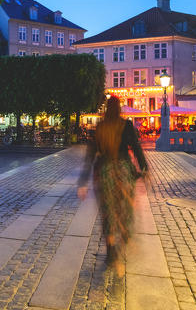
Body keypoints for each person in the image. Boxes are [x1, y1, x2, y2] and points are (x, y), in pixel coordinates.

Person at [77, 96, 148, 278]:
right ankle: (123, 240)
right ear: (119, 110)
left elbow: (90, 156)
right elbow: (137, 147)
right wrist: (144, 167)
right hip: (123, 172)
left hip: (105, 173)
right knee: (124, 210)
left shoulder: (99, 128)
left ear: (106, 109)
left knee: (108, 213)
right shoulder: (127, 126)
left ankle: (111, 253)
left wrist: (82, 183)